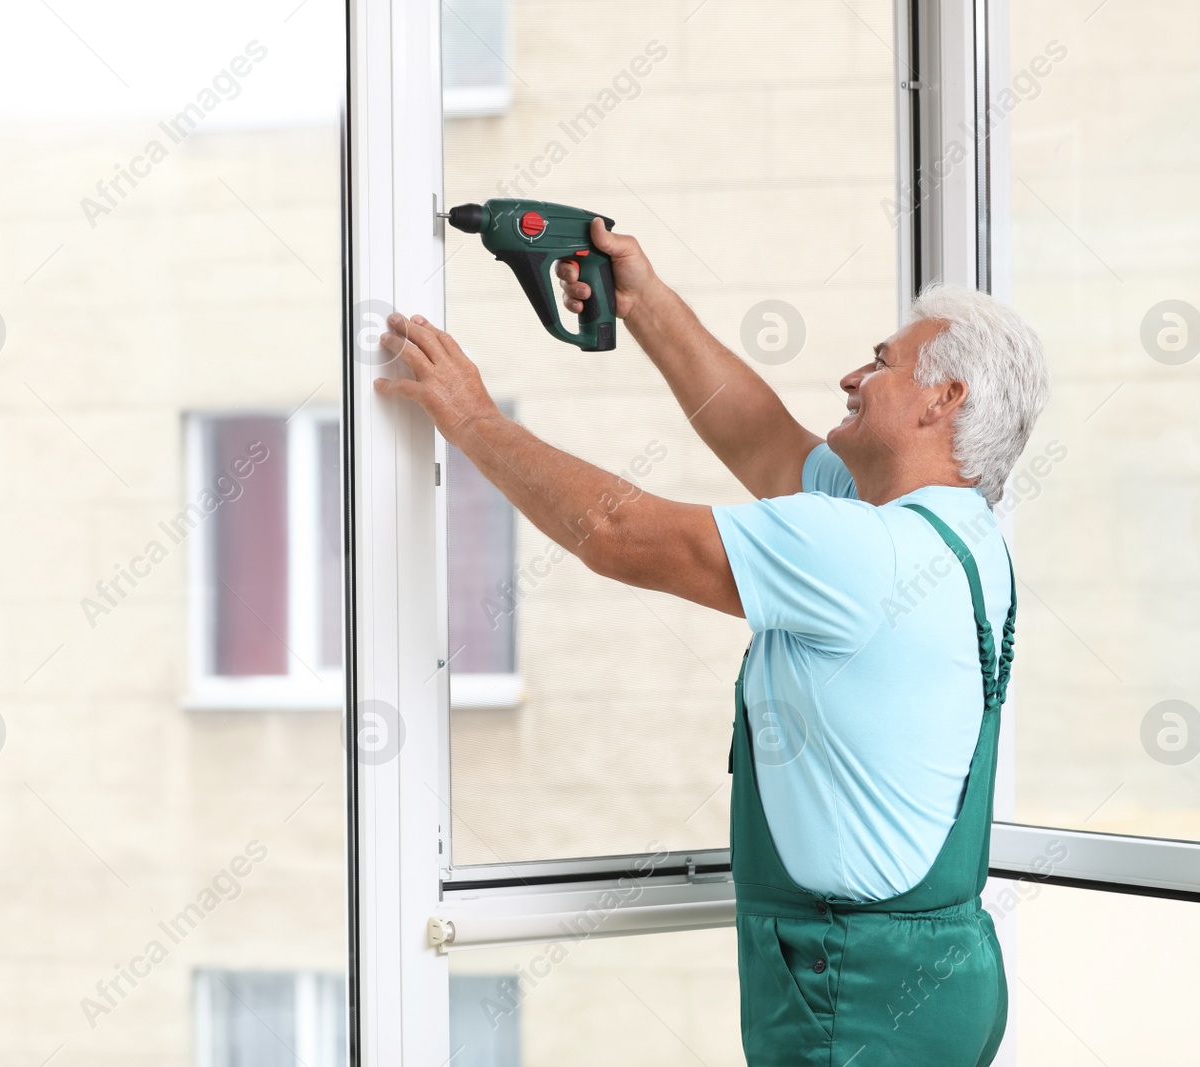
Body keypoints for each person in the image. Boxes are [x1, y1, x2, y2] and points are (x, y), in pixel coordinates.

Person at [374, 217, 1049, 1067]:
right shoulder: (951, 533)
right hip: (941, 979)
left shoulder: (863, 552)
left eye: (881, 361)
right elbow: (759, 435)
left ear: (943, 399)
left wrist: (472, 418)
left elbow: (621, 532)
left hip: (857, 997)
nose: (852, 374)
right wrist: (643, 300)